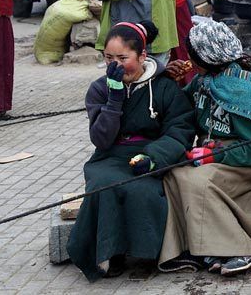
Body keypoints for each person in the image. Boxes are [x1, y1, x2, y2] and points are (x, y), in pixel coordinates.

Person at [66, 21, 194, 281]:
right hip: (110, 155)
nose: (115, 65)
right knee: (105, 185)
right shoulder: (99, 89)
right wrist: (114, 97)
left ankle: (147, 254)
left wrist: (154, 157)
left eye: (123, 58)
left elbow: (179, 130)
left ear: (142, 56)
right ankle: (111, 254)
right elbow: (101, 139)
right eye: (108, 58)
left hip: (152, 154)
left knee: (141, 189)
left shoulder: (164, 86)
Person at [159, 20, 251, 276]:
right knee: (174, 174)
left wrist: (212, 155)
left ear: (203, 57)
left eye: (191, 54)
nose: (189, 59)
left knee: (197, 181)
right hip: (217, 154)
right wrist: (169, 80)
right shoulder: (205, 80)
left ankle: (240, 249)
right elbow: (179, 109)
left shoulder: (241, 89)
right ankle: (194, 247)